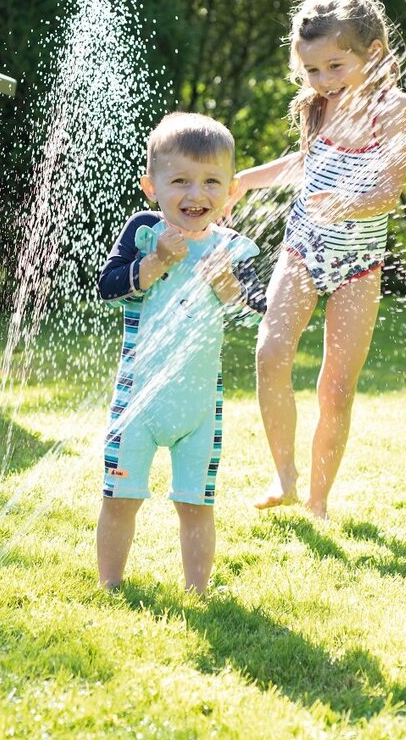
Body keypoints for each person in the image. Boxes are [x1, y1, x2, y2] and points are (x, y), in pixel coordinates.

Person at [234, 0, 406, 520]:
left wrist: (348, 204)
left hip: (359, 264)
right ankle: (284, 477)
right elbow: (303, 166)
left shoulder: (391, 108)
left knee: (336, 388)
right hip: (304, 246)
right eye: (313, 71)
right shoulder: (319, 107)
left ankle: (317, 500)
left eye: (336, 66)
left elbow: (389, 189)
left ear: (372, 53)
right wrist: (246, 180)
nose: (324, 81)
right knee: (270, 352)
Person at [96, 112, 265, 593]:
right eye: (181, 182)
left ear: (231, 191)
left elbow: (257, 315)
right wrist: (154, 263)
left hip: (200, 410)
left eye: (212, 181)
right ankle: (110, 585)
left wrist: (226, 285)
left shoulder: (233, 248)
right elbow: (109, 287)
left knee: (197, 504)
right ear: (152, 187)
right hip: (137, 407)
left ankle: (198, 590)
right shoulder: (144, 233)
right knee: (119, 498)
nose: (196, 195)